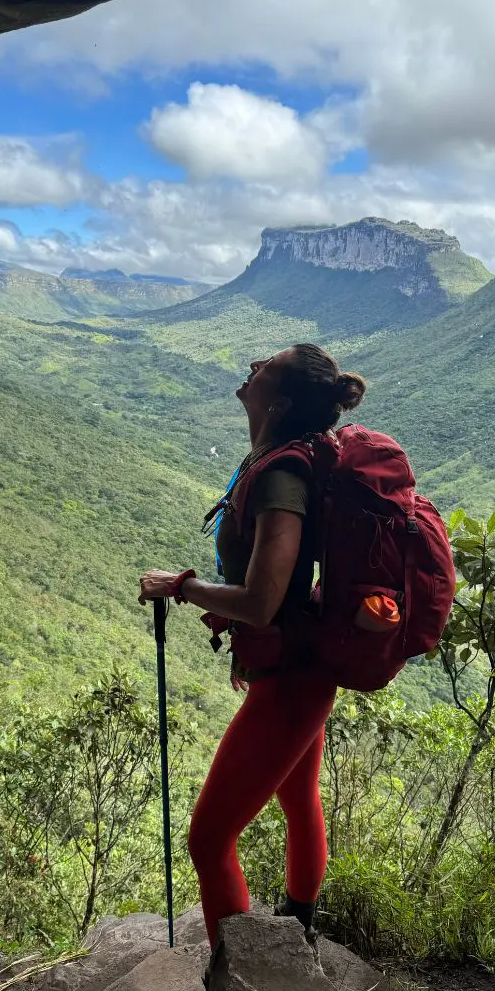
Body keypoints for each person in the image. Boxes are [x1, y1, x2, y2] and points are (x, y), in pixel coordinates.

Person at [138, 343, 366, 952]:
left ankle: (233, 973)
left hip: (294, 681)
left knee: (209, 840)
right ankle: (298, 927)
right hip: (296, 667)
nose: (252, 365)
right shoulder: (276, 458)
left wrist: (182, 587)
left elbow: (263, 598)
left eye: (265, 365)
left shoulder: (281, 478)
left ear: (279, 401)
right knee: (298, 795)